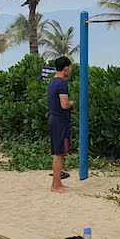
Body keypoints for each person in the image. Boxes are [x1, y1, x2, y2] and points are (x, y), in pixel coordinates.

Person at [47, 56, 73, 193]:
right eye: (71, 67)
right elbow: (64, 104)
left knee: (61, 152)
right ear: (66, 68)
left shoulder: (52, 82)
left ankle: (58, 183)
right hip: (60, 122)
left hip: (54, 120)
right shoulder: (62, 84)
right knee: (58, 153)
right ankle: (55, 185)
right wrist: (72, 103)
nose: (71, 70)